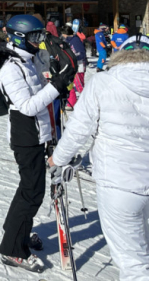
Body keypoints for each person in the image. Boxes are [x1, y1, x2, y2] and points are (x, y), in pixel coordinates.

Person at [49, 35, 149, 281]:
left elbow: (79, 129)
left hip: (119, 183)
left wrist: (58, 159)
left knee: (134, 263)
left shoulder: (104, 82)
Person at [0, 14, 70, 273]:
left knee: (29, 190)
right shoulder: (11, 69)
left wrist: (58, 77)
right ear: (19, 37)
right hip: (25, 137)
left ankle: (16, 231)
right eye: (35, 37)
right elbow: (28, 107)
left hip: (38, 133)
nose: (40, 41)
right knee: (32, 193)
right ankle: (12, 250)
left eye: (41, 36)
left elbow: (43, 94)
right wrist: (56, 86)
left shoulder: (29, 61)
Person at [60, 26, 87, 110]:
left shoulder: (75, 40)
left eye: (63, 34)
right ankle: (71, 102)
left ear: (66, 34)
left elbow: (81, 53)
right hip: (71, 65)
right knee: (69, 84)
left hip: (78, 65)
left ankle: (86, 102)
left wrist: (72, 57)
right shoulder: (67, 41)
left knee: (79, 85)